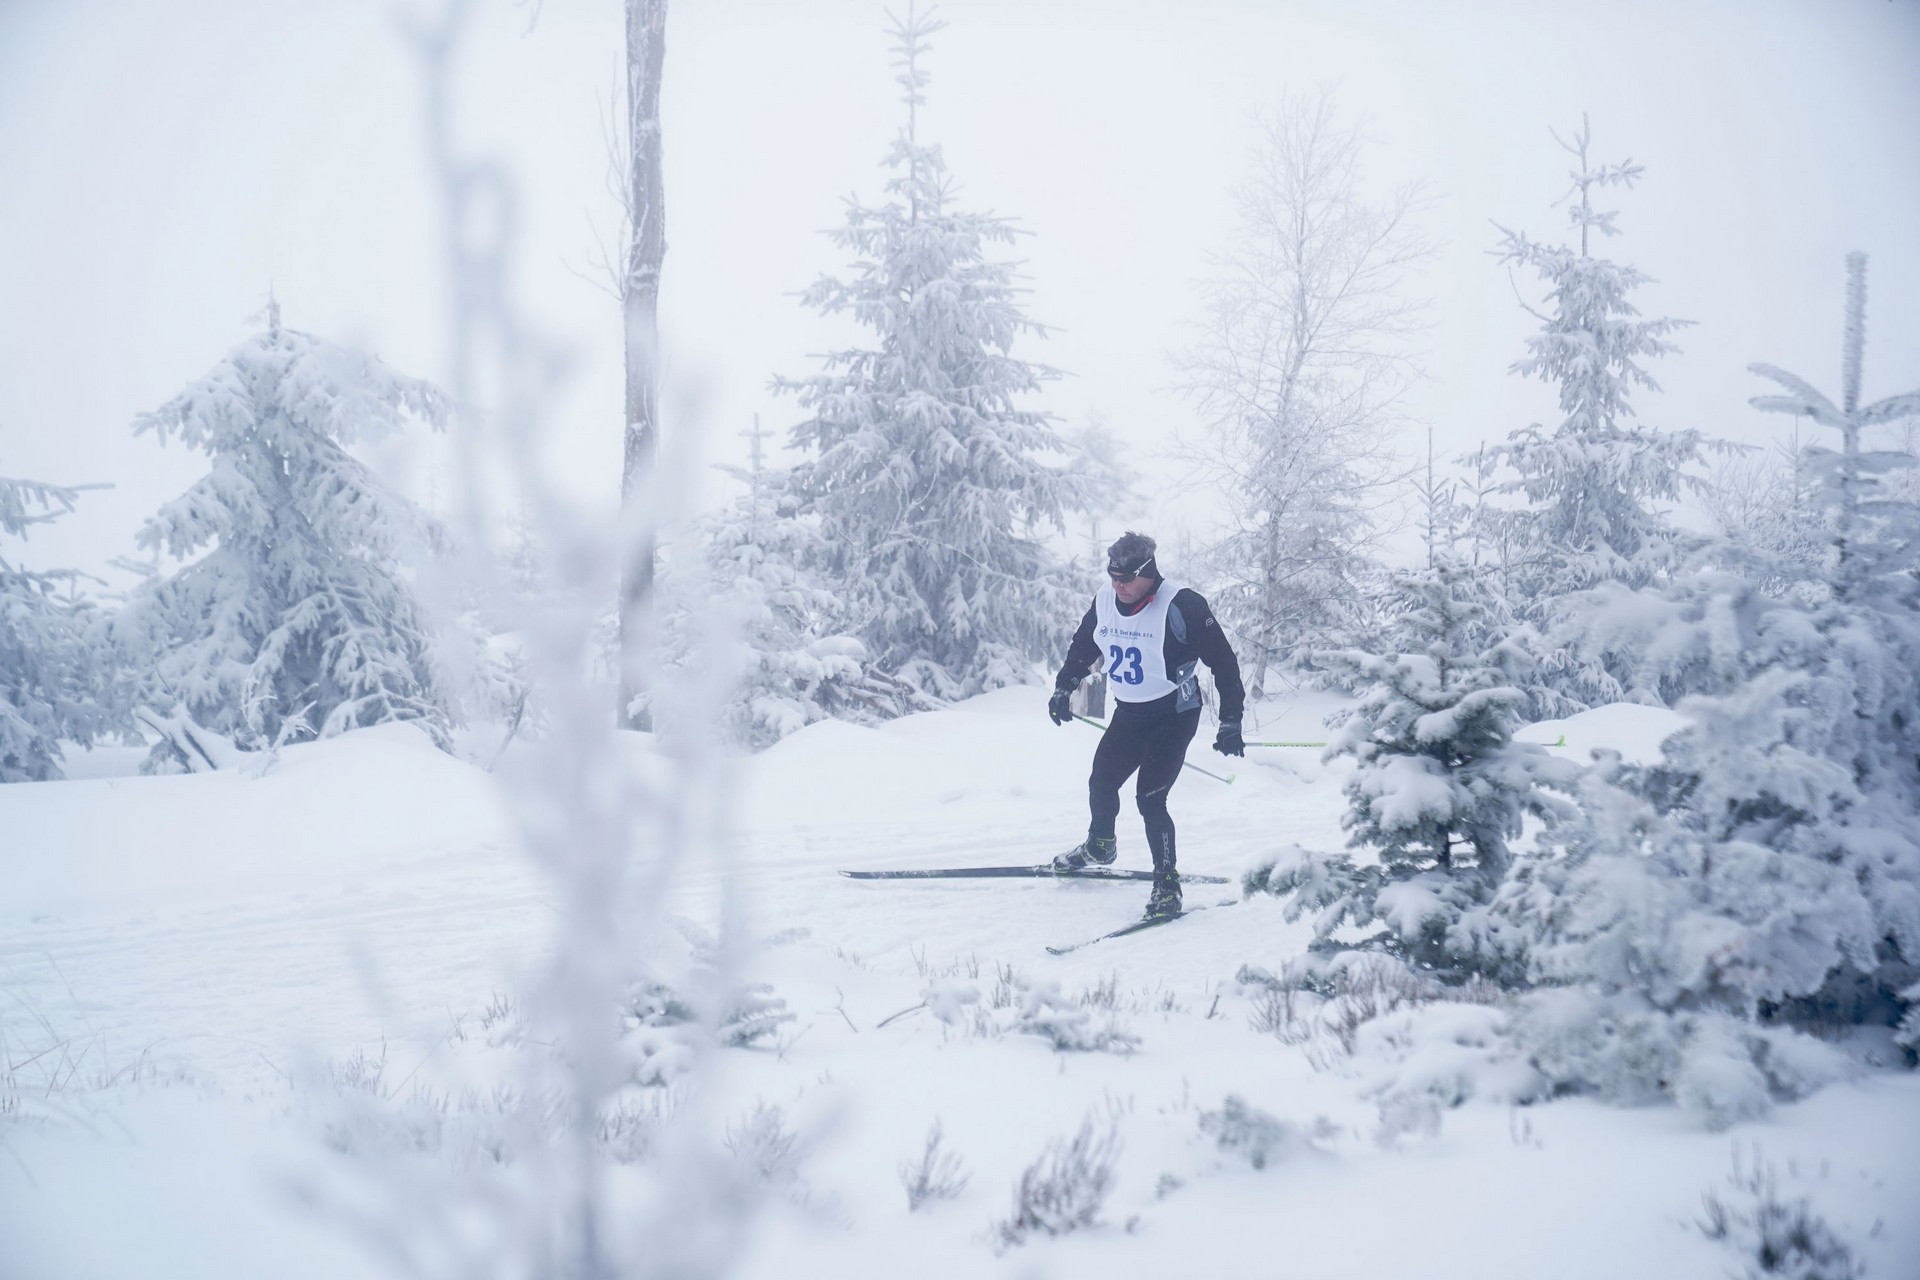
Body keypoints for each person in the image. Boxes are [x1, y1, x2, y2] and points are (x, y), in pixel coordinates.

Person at [1047, 532, 1245, 918]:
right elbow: (1084, 646)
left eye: (1125, 578)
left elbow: (1223, 661)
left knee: (1150, 799)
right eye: (1112, 577)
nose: (1117, 586)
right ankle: (1100, 845)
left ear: (1147, 572)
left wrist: (1231, 719)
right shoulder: (1105, 600)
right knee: (1101, 782)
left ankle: (1167, 885)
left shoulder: (1183, 605)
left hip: (1174, 716)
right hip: (1130, 713)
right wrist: (1063, 687)